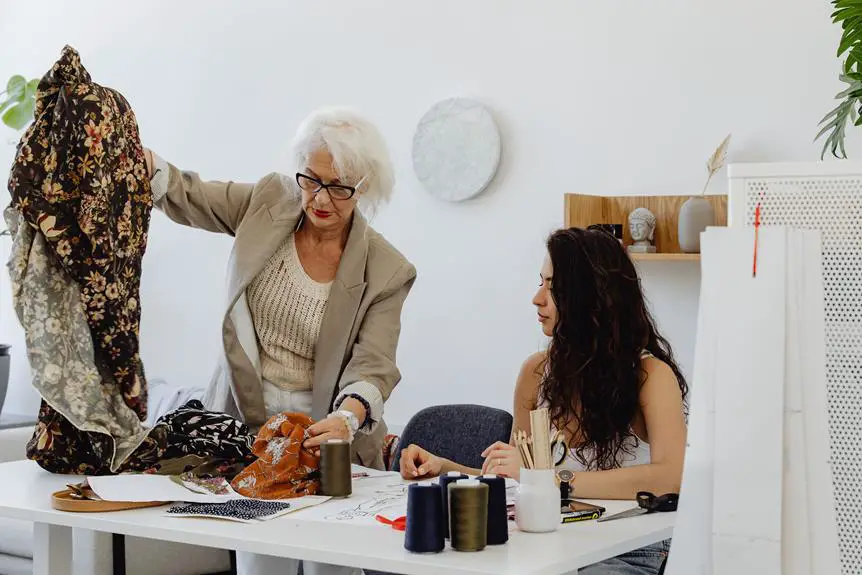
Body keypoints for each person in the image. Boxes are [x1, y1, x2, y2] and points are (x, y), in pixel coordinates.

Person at [145, 107, 416, 575]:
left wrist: (346, 419)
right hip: (248, 429)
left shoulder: (386, 270)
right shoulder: (271, 201)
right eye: (312, 180)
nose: (321, 198)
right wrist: (138, 160)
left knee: (329, 564)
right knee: (258, 564)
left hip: (327, 437)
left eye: (340, 187)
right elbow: (193, 196)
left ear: (365, 187)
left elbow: (373, 365)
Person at [400, 227, 687, 574]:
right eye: (541, 283)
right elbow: (518, 481)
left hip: (629, 553)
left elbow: (671, 478)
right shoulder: (535, 373)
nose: (537, 298)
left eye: (553, 287)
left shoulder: (650, 376)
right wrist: (445, 467)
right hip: (548, 546)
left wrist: (549, 480)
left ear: (591, 296)